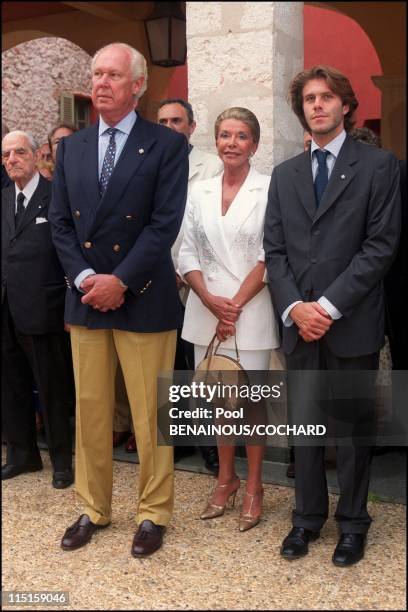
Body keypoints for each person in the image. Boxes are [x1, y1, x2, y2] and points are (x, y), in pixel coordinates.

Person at [49, 42, 188, 558]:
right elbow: (61, 224)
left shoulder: (168, 146)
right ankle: (93, 507)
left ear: (137, 85)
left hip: (143, 296)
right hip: (87, 297)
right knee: (90, 410)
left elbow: (162, 226)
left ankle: (153, 512)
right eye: (96, 73)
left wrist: (119, 281)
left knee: (152, 415)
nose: (101, 82)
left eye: (112, 74)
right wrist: (88, 277)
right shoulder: (74, 148)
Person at [264, 65, 401, 566]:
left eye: (327, 97)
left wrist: (325, 306)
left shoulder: (378, 165)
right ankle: (305, 520)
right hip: (299, 324)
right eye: (309, 99)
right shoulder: (285, 174)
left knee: (351, 430)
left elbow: (380, 245)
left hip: (352, 321)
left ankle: (353, 523)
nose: (317, 105)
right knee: (304, 427)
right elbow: (274, 251)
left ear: (346, 105)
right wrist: (295, 306)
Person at [178, 107, 280, 531]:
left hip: (251, 314)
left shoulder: (270, 189)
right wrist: (208, 298)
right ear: (215, 142)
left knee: (252, 406)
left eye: (241, 136)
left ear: (254, 145)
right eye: (224, 135)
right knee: (220, 406)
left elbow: (270, 253)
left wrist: (233, 305)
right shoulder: (197, 190)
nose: (231, 143)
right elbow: (183, 250)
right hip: (206, 311)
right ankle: (225, 479)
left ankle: (255, 485)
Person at [1, 130, 74, 489]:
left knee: (53, 388)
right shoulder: (2, 200)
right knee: (11, 386)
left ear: (35, 155)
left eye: (19, 153)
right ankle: (22, 455)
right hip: (6, 310)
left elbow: (69, 254)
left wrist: (69, 308)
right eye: (6, 155)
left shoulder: (55, 195)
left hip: (45, 309)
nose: (12, 159)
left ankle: (62, 461)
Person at [157, 98, 223, 472]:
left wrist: (188, 266)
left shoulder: (211, 166)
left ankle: (211, 446)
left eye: (176, 120)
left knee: (202, 365)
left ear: (191, 126)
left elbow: (211, 221)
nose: (169, 126)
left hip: (198, 278)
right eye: (163, 120)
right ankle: (178, 440)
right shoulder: (148, 163)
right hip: (158, 274)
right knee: (167, 361)